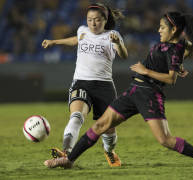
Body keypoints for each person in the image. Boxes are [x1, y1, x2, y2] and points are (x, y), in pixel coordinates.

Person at [44, 11, 193, 169]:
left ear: (174, 30)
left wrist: (147, 70)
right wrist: (176, 66)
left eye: (162, 27)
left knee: (165, 140)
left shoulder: (175, 49)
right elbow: (171, 62)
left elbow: (171, 79)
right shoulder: (172, 47)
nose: (159, 30)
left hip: (149, 95)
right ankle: (69, 160)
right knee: (100, 125)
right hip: (133, 91)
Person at [41, 3, 128, 167]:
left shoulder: (112, 35)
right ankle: (66, 152)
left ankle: (109, 151)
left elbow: (123, 55)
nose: (93, 23)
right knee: (76, 117)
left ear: (105, 19)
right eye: (89, 20)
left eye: (96, 20)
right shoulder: (83, 30)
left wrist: (119, 43)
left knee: (109, 129)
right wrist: (54, 42)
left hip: (104, 86)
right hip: (81, 82)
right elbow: (76, 40)